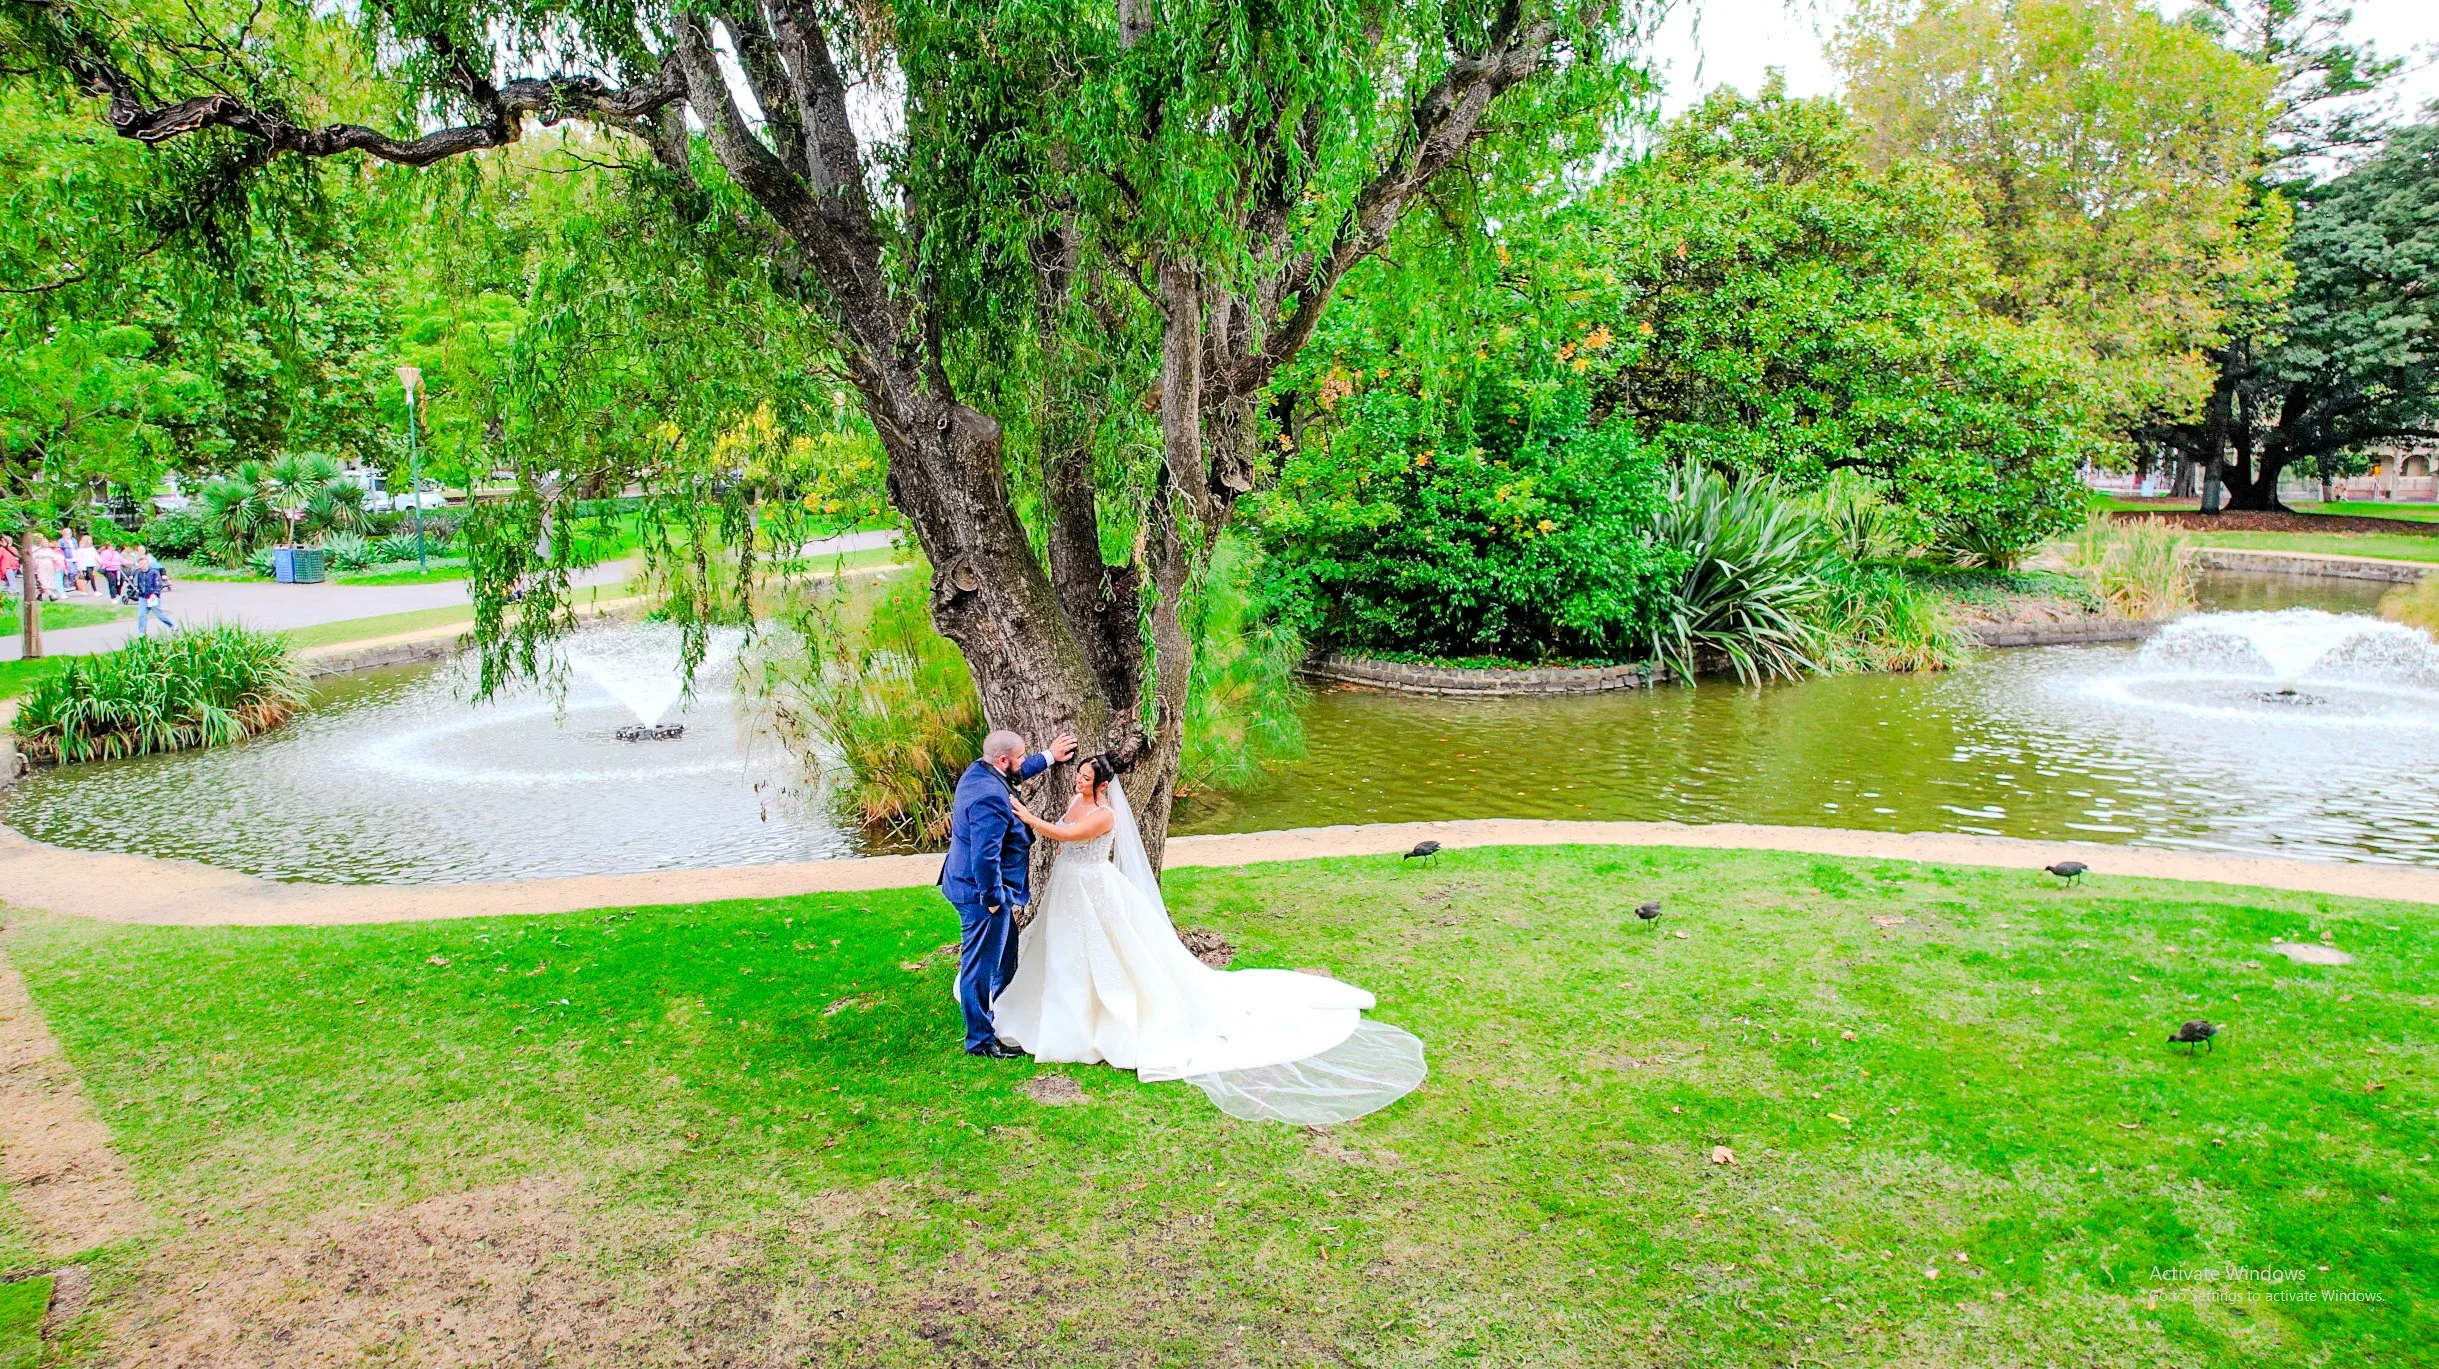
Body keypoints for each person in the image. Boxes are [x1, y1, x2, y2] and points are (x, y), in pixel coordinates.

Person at [994, 753, 1428, 1124]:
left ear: (1102, 784)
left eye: (1086, 777)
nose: (1078, 781)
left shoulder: (1104, 814)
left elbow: (1068, 834)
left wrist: (1030, 818)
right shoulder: (1074, 800)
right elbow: (1063, 831)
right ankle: (1056, 1010)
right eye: (1079, 776)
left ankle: (1101, 1017)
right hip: (1067, 886)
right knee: (1063, 950)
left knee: (1105, 953)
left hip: (1093, 889)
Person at [939, 728, 1079, 1056]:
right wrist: (992, 901)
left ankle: (1003, 1011)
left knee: (1007, 952)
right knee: (979, 966)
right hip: (981, 894)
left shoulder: (978, 771)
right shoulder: (989, 796)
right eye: (1020, 757)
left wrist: (1047, 756)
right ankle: (980, 1040)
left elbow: (1013, 775)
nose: (1022, 761)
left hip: (967, 885)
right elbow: (984, 857)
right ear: (1003, 760)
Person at [129, 550, 176, 636]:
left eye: (144, 563)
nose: (143, 565)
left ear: (147, 563)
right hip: (143, 597)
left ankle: (173, 626)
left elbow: (158, 584)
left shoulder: (154, 572)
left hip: (152, 597)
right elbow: (138, 583)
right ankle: (142, 632)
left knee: (160, 615)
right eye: (141, 564)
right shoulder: (139, 573)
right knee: (141, 615)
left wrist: (155, 594)